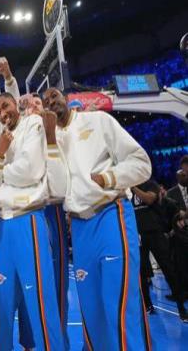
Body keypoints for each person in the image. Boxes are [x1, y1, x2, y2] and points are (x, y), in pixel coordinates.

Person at [42, 87, 152, 350]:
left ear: (66, 98)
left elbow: (142, 163)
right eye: (45, 101)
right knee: (92, 313)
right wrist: (50, 140)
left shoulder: (98, 121)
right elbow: (57, 190)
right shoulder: (50, 141)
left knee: (119, 306)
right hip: (80, 228)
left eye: (54, 95)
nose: (51, 102)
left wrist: (108, 178)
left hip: (110, 214)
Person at [0, 92, 64, 350]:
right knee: (2, 303)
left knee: (41, 303)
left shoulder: (33, 123)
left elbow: (30, 170)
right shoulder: (0, 137)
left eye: (6, 106)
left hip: (28, 219)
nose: (3, 113)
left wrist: (0, 166)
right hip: (3, 224)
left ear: (16, 105)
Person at [22, 92, 70, 348]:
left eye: (38, 104)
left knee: (57, 281)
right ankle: (30, 341)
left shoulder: (56, 133)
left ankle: (58, 340)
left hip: (51, 209)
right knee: (28, 281)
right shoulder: (21, 134)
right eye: (30, 105)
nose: (35, 108)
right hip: (25, 212)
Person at [132, 178, 187, 321]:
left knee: (169, 269)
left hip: (156, 233)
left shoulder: (150, 184)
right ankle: (148, 305)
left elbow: (149, 199)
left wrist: (133, 188)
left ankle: (181, 308)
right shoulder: (127, 191)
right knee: (142, 273)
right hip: (138, 235)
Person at [163, 156, 188, 310]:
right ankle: (182, 292)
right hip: (179, 235)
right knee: (181, 264)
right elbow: (168, 215)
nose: (185, 174)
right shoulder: (171, 193)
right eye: (183, 171)